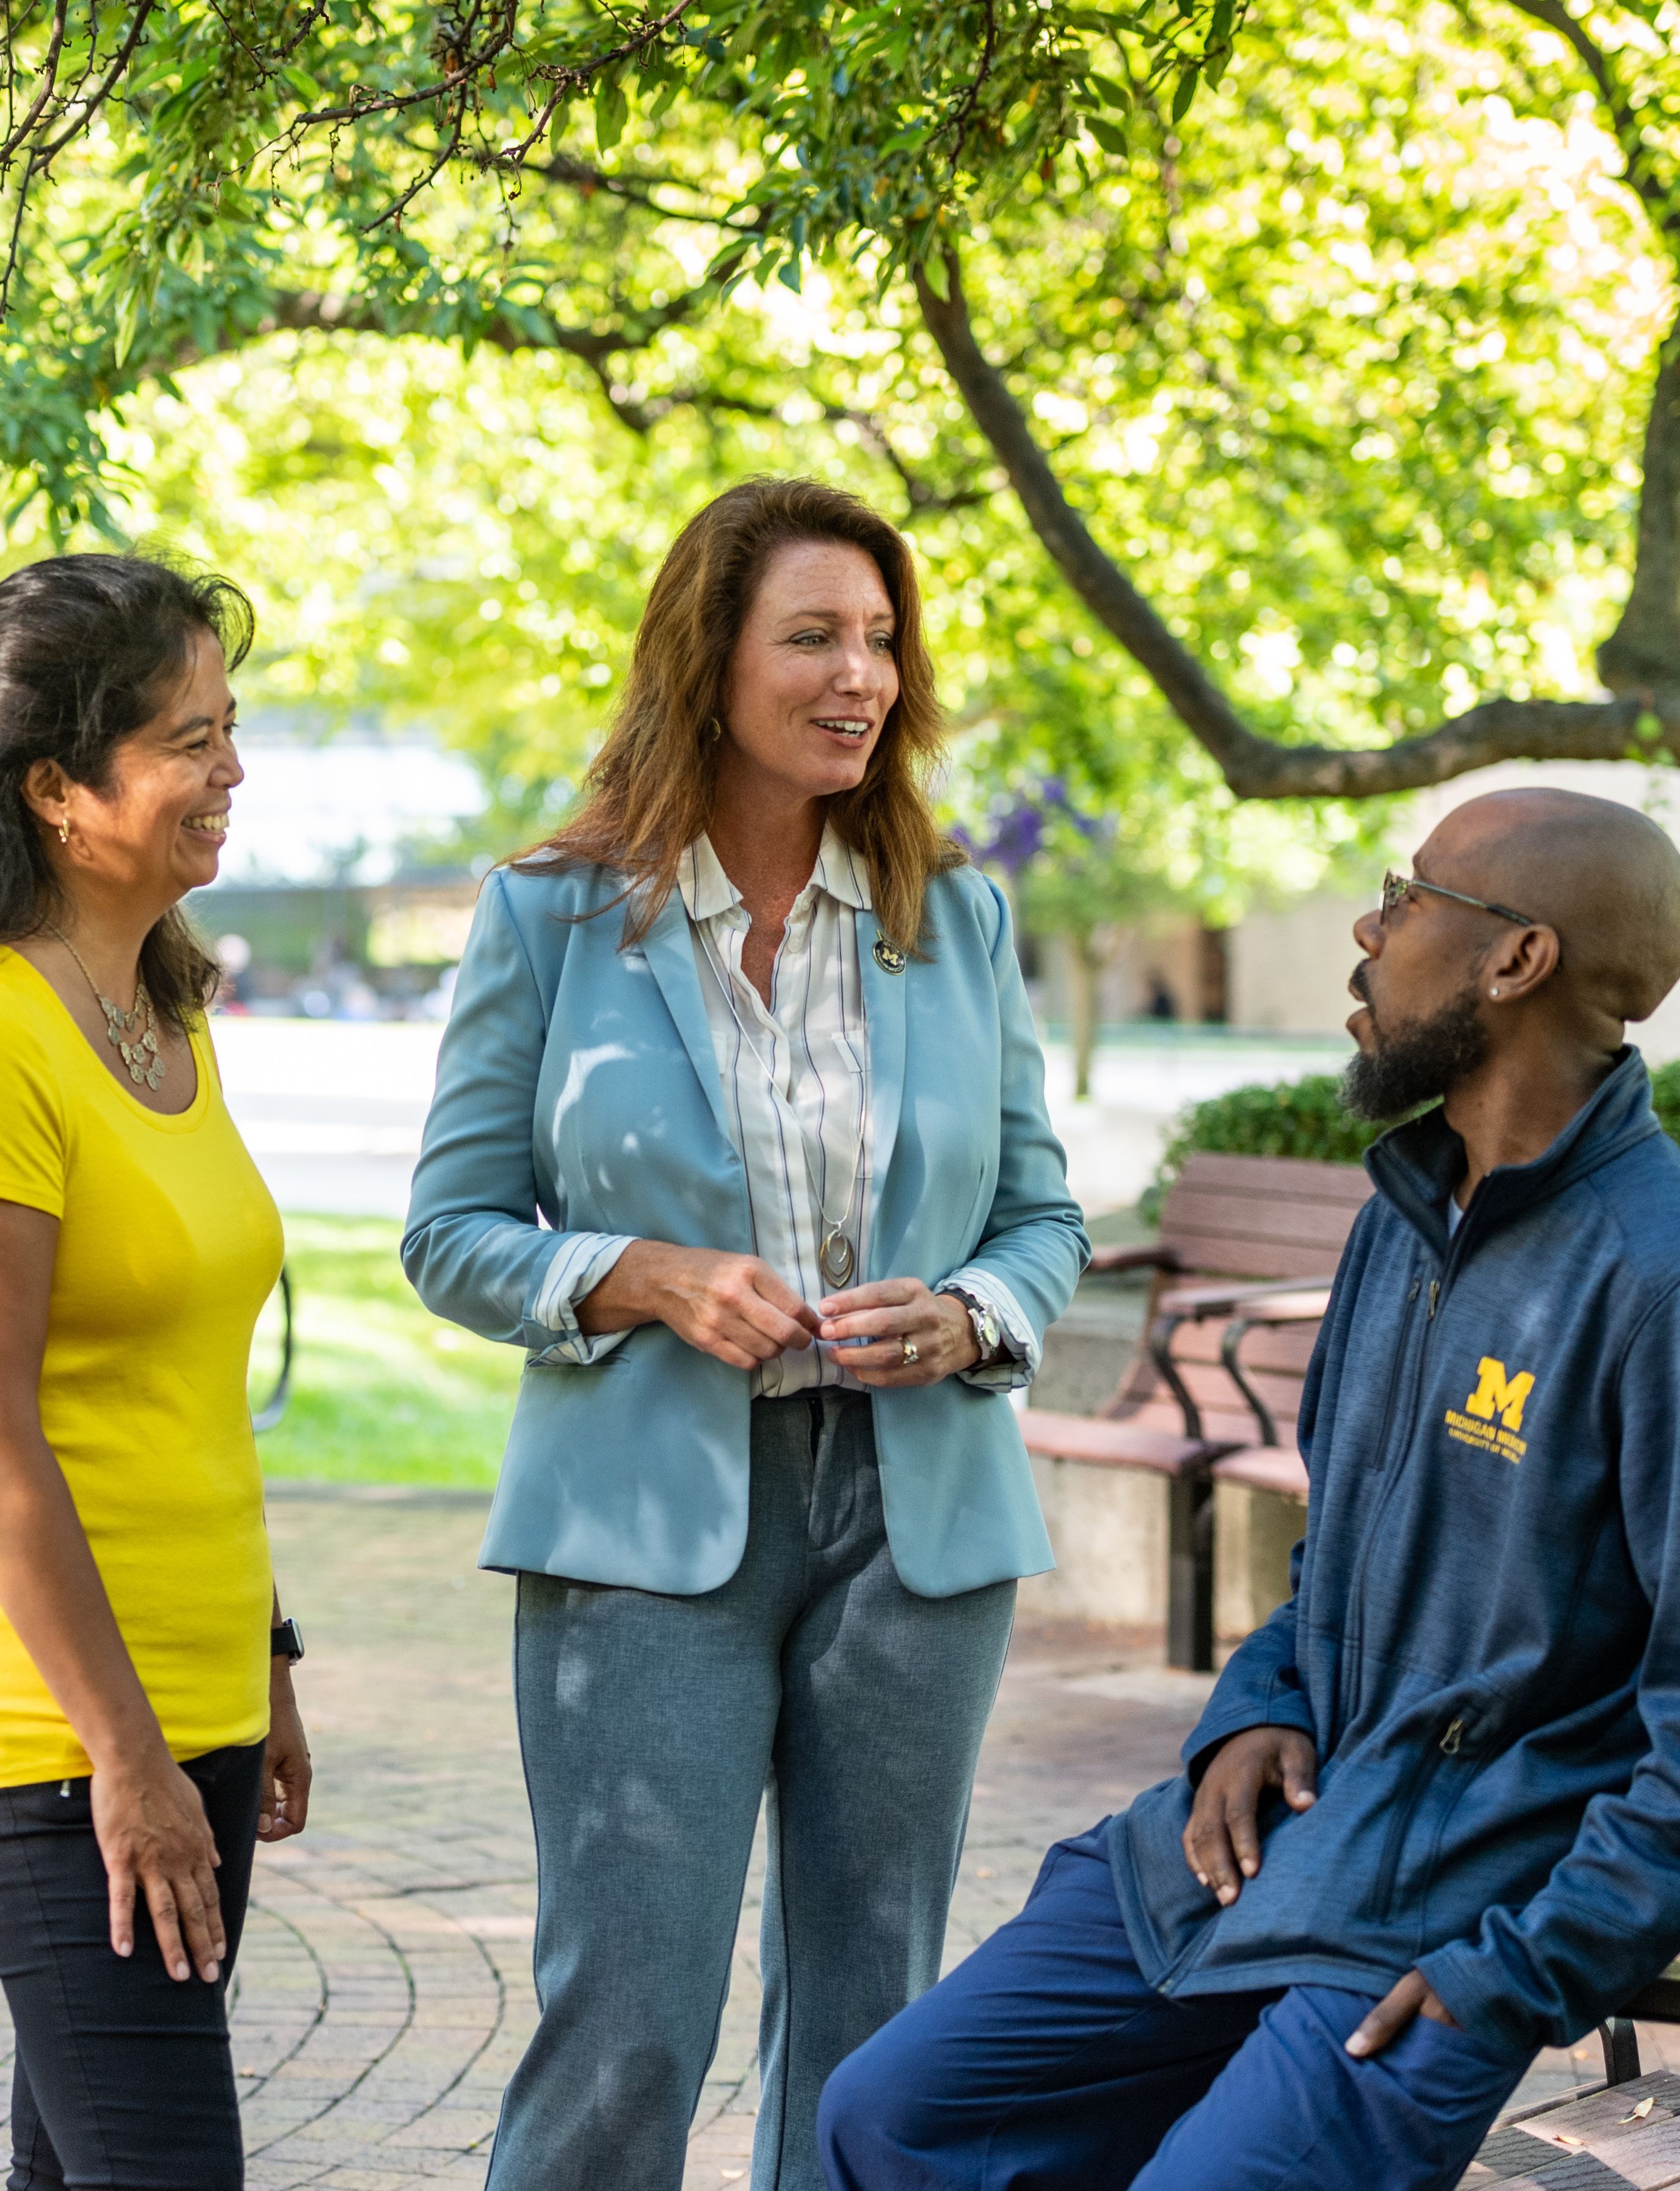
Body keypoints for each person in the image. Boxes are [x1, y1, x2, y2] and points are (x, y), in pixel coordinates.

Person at [817, 788, 1680, 2191]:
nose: (1368, 928)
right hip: (1255, 1846)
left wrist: (1525, 1970)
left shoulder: (1675, 1284)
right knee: (895, 2110)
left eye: (1407, 897)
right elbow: (1336, 1570)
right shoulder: (1401, 1219)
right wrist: (1258, 1707)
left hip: (1445, 1920)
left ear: (1517, 958)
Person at [403, 477, 1090, 2190]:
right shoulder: (553, 917)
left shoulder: (960, 915)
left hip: (913, 1525)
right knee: (630, 2012)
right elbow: (450, 1231)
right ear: (711, 662)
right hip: (644, 1534)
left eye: (879, 640)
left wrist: (972, 1311)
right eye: (813, 637)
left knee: (875, 2018)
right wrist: (638, 1274)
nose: (859, 674)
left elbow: (1044, 1217)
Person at [0, 554, 314, 2191]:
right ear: (57, 788)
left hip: (188, 1690)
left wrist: (263, 1663)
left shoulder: (160, 1012)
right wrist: (123, 1749)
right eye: (189, 740)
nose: (231, 772)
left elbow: (176, 1381)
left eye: (228, 730)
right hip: (49, 1720)